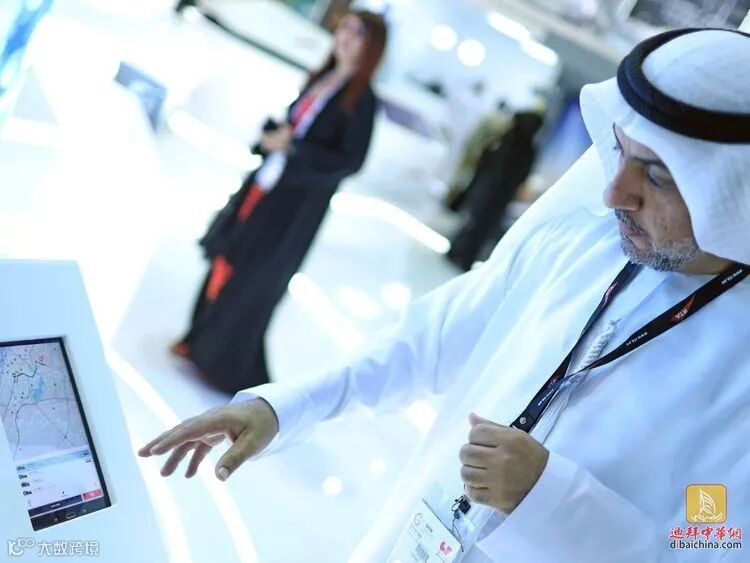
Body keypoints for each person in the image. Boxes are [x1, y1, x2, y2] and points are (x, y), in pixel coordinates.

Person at [142, 28, 750, 562]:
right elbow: (426, 342)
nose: (615, 192)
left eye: (658, 175)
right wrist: (282, 408)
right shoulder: (581, 245)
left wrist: (549, 501)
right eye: (619, 152)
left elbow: (710, 544)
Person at [170, 11, 387, 394]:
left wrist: (294, 148)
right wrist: (272, 138)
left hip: (293, 208)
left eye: (358, 33)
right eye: (345, 28)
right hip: (265, 186)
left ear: (372, 48)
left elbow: (347, 161)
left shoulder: (362, 102)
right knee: (226, 257)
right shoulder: (322, 78)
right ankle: (197, 340)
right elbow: (294, 127)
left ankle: (222, 364)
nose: (346, 37)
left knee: (253, 278)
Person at [447, 111, 544, 270]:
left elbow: (485, 160)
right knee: (482, 226)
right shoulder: (527, 148)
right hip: (499, 195)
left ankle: (457, 252)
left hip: (487, 189)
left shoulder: (508, 140)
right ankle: (464, 257)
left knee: (475, 221)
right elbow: (521, 175)